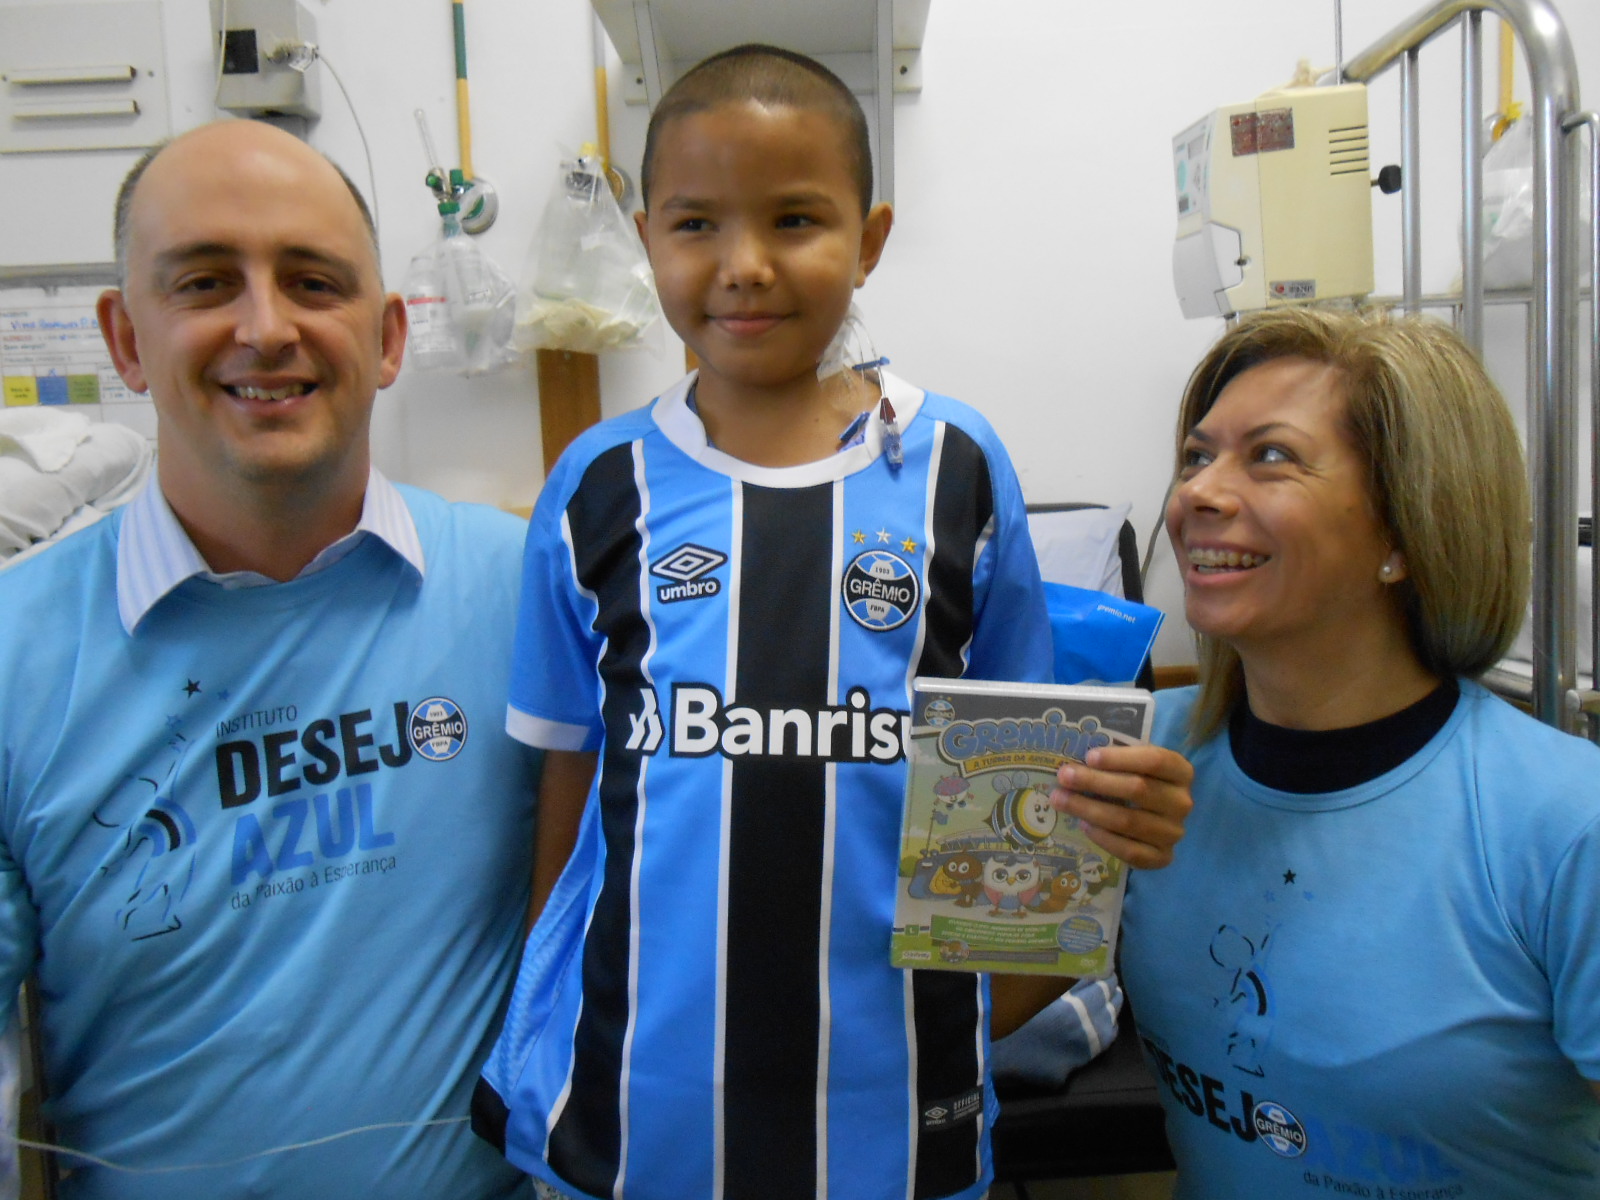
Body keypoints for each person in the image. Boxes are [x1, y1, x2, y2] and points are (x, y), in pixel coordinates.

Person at [471, 44, 1192, 1200]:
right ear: (648, 232)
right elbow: (570, 792)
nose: (744, 266)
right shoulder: (597, 485)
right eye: (696, 223)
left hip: (891, 1126)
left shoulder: (958, 466)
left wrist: (956, 1028)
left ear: (869, 237)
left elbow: (1019, 801)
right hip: (631, 1122)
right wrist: (544, 1018)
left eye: (795, 219)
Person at [0, 120, 539, 1198]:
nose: (264, 327)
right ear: (125, 338)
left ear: (387, 338)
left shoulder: (526, 590)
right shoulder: (15, 658)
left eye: (312, 282)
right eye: (204, 283)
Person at [1120, 306, 1600, 1197]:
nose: (1197, 495)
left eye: (1270, 456)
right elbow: (967, 1019)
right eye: (1197, 455)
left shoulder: (1567, 826)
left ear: (1400, 534)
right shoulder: (1143, 762)